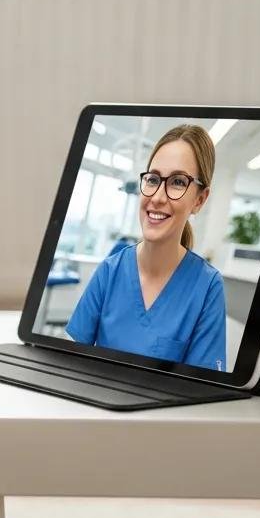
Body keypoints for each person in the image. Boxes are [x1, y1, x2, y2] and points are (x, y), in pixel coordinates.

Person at [65, 124, 227, 372]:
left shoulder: (207, 287)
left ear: (199, 200)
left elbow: (202, 392)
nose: (158, 197)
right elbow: (69, 364)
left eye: (177, 182)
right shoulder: (110, 271)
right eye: (152, 179)